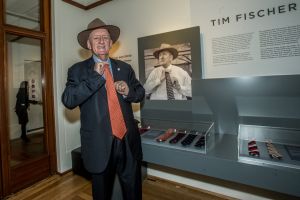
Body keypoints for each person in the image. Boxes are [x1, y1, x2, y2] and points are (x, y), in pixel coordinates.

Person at [61, 18, 145, 200]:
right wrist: (94, 77)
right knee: (102, 195)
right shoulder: (77, 70)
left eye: (105, 37)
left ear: (111, 43)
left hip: (128, 141)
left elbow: (140, 93)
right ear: (89, 44)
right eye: (96, 38)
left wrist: (128, 91)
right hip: (99, 145)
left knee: (133, 192)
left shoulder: (125, 68)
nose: (101, 41)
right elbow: (68, 99)